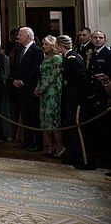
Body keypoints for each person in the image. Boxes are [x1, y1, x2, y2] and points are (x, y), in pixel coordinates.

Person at [56, 35, 96, 170]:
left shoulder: (72, 59)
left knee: (80, 132)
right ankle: (76, 157)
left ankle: (86, 161)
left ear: (61, 45)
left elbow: (81, 81)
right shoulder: (70, 57)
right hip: (71, 100)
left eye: (56, 44)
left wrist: (89, 95)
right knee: (73, 131)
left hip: (77, 101)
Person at [11, 27, 44, 152]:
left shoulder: (37, 50)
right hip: (20, 89)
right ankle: (28, 140)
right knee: (25, 116)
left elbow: (36, 70)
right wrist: (15, 79)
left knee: (34, 117)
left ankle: (37, 143)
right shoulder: (20, 50)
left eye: (20, 34)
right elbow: (18, 68)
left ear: (28, 36)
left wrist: (23, 81)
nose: (18, 36)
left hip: (31, 89)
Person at [33, 35, 64, 157]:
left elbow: (53, 76)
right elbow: (42, 75)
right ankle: (50, 145)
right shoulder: (45, 58)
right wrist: (37, 88)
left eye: (46, 44)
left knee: (53, 119)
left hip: (53, 90)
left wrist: (41, 89)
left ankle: (60, 146)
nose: (43, 46)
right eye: (43, 44)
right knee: (45, 119)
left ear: (52, 45)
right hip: (43, 90)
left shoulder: (57, 58)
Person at [86, 30, 111, 163]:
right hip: (93, 94)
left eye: (100, 38)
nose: (97, 40)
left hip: (103, 94)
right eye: (95, 37)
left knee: (105, 125)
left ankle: (106, 153)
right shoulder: (92, 53)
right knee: (96, 124)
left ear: (104, 40)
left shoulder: (107, 54)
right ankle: (99, 150)